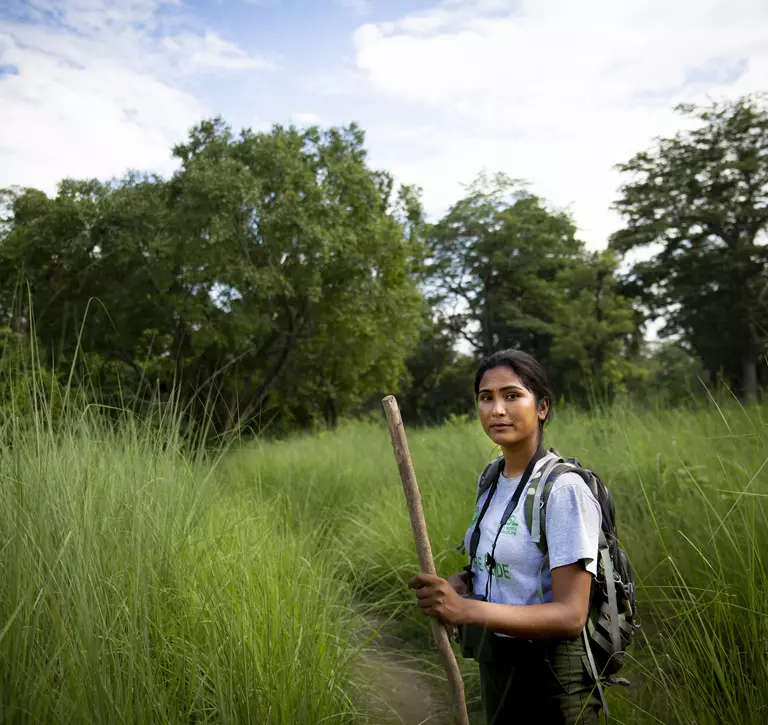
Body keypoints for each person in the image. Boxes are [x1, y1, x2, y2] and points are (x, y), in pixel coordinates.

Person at [407, 349, 603, 724]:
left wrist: (465, 611)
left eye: (512, 395)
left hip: (550, 678)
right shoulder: (492, 479)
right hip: (496, 664)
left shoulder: (562, 490)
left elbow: (571, 615)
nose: (497, 409)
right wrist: (460, 586)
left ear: (542, 407)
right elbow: (504, 564)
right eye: (486, 397)